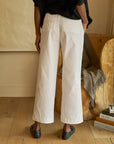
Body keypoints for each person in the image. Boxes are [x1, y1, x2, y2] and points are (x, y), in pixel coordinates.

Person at [30, 0, 91, 140]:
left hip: (50, 21)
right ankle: (67, 127)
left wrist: (37, 33)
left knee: (45, 74)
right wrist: (85, 20)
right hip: (73, 23)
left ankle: (38, 126)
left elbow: (38, 5)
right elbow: (78, 0)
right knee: (72, 75)